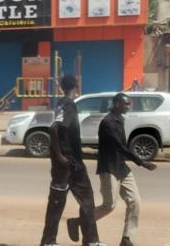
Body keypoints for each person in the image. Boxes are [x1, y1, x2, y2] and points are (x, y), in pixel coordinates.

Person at [67, 93, 157, 246]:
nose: (128, 107)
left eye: (129, 104)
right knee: (109, 206)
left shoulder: (119, 119)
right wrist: (140, 162)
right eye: (126, 104)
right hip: (109, 168)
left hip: (122, 167)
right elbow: (119, 146)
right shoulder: (108, 122)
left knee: (135, 202)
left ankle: (127, 239)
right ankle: (77, 222)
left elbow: (122, 147)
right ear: (116, 104)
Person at [40, 75, 106, 246]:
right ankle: (52, 242)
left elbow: (56, 128)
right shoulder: (69, 104)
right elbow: (54, 128)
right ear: (76, 87)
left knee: (73, 201)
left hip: (70, 163)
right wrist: (61, 156)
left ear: (62, 86)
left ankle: (89, 240)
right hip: (68, 164)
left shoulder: (61, 103)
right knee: (70, 201)